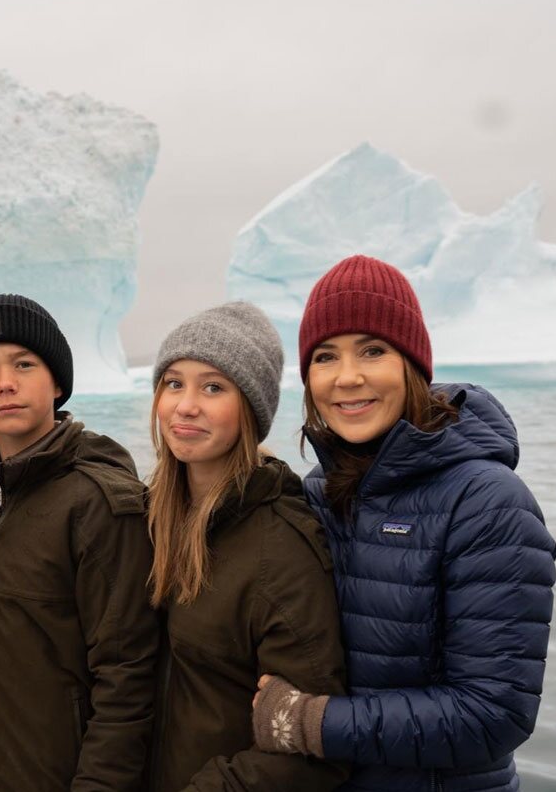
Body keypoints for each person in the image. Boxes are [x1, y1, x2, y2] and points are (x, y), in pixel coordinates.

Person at [252, 254, 556, 792]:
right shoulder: (320, 490)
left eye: (373, 350)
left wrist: (308, 721)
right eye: (325, 357)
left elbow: (494, 713)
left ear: (411, 364)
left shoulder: (487, 503)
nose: (348, 378)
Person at [0, 293, 158, 791]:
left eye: (24, 364)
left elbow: (127, 675)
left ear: (57, 381)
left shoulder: (100, 502)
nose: (6, 383)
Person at [145, 302, 348, 792]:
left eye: (213, 387)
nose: (186, 405)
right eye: (174, 383)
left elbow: (312, 752)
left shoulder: (281, 546)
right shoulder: (150, 515)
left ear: (251, 410)